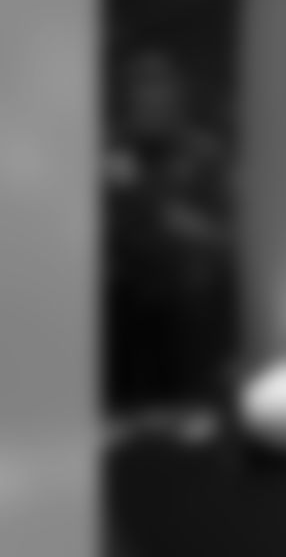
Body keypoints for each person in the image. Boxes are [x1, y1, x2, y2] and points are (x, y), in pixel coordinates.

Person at [104, 49, 232, 436]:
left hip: (186, 321)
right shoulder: (113, 151)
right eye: (140, 93)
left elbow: (219, 237)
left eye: (160, 90)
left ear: (177, 98)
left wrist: (145, 198)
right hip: (123, 320)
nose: (150, 102)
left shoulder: (203, 154)